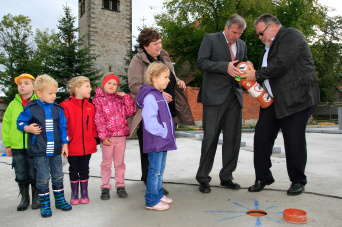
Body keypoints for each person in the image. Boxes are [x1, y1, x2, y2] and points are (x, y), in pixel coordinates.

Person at [241, 14, 320, 195]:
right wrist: (254, 73)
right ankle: (263, 177)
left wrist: (256, 74)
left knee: (294, 141)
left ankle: (298, 180)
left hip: (296, 100)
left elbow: (281, 64)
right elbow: (269, 71)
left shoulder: (291, 36)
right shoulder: (268, 47)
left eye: (261, 34)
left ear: (272, 27)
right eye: (258, 35)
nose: (260, 38)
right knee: (261, 138)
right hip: (273, 101)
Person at [128, 28, 194, 195]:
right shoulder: (137, 61)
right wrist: (156, 92)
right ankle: (150, 182)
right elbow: (134, 86)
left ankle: (156, 179)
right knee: (150, 148)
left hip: (166, 108)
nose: (159, 46)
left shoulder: (163, 56)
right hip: (149, 111)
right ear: (145, 45)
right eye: (155, 44)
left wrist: (177, 81)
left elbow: (170, 74)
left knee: (162, 147)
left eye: (160, 42)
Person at [196, 14, 250, 193]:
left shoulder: (242, 45)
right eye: (234, 32)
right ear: (227, 28)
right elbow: (201, 63)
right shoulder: (210, 39)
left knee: (233, 139)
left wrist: (246, 66)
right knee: (210, 138)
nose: (237, 36)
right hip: (214, 97)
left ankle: (227, 176)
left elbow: (240, 68)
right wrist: (224, 66)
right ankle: (203, 177)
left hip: (235, 96)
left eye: (240, 34)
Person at [17, 74, 72, 218]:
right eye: (50, 93)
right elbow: (20, 122)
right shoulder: (31, 108)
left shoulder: (57, 109)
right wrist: (28, 128)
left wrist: (65, 144)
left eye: (55, 93)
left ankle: (60, 201)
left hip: (55, 151)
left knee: (58, 175)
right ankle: (45, 204)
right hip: (39, 151)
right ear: (39, 93)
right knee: (42, 178)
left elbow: (63, 127)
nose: (54, 96)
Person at [136, 62, 176, 211]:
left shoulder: (158, 95)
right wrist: (164, 131)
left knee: (160, 168)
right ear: (155, 77)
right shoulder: (151, 97)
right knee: (155, 170)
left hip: (162, 141)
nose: (168, 80)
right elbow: (150, 122)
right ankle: (151, 200)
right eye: (166, 77)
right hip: (156, 141)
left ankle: (158, 194)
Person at [93, 73, 136, 200]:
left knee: (119, 163)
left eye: (115, 84)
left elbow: (130, 111)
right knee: (106, 164)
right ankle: (105, 187)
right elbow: (99, 120)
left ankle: (120, 186)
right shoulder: (98, 100)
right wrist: (103, 136)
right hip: (108, 138)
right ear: (103, 84)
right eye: (109, 83)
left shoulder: (120, 99)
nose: (112, 86)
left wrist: (126, 97)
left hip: (121, 136)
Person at [2, 73, 40, 211]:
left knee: (34, 172)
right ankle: (25, 198)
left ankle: (36, 198)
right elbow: (6, 125)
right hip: (17, 146)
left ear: (34, 86)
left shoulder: (38, 103)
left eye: (26, 83)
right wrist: (8, 144)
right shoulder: (12, 105)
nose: (22, 86)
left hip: (34, 145)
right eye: (20, 84)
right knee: (21, 173)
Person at [60, 76, 99, 205]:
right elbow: (63, 126)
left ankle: (84, 193)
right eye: (87, 86)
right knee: (73, 169)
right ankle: (74, 193)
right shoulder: (65, 106)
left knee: (84, 169)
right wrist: (66, 141)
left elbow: (93, 125)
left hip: (87, 145)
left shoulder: (90, 106)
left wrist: (94, 138)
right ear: (77, 89)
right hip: (72, 146)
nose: (90, 88)